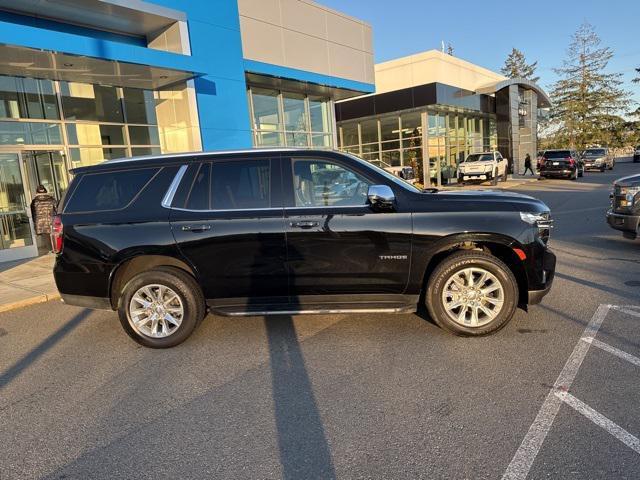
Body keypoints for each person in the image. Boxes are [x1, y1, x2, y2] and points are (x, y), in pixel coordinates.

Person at [30, 185, 57, 252]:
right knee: (54, 236)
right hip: (51, 221)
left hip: (40, 223)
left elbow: (33, 213)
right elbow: (57, 209)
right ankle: (56, 249)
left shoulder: (34, 201)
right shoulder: (52, 199)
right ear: (45, 191)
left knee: (45, 237)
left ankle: (50, 250)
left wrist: (35, 222)